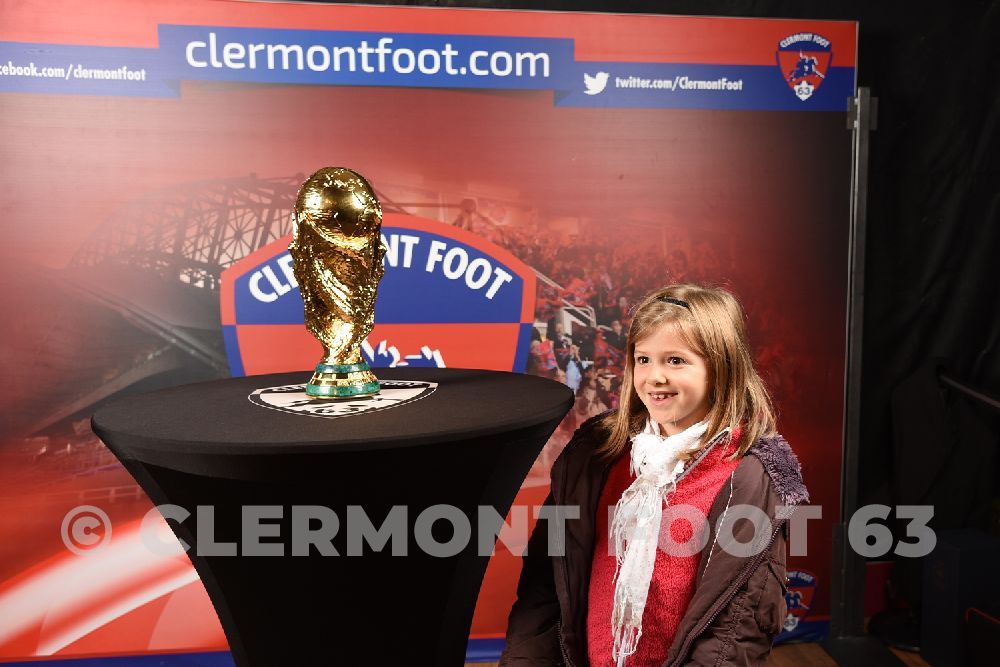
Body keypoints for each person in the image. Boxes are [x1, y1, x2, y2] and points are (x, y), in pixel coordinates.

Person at [499, 284, 808, 667]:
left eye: (675, 361)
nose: (654, 377)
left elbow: (735, 629)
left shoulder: (749, 477)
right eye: (643, 359)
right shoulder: (596, 455)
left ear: (721, 367)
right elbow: (543, 589)